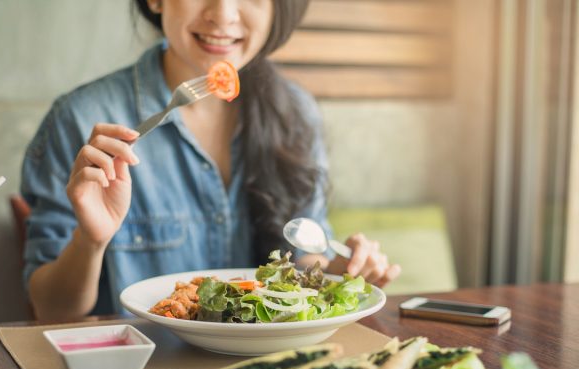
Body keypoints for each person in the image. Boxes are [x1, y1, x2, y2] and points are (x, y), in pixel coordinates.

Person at [21, 0, 401, 322]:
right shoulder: (82, 118)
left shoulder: (296, 111)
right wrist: (90, 240)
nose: (223, 14)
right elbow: (51, 310)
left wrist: (340, 274)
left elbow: (303, 259)